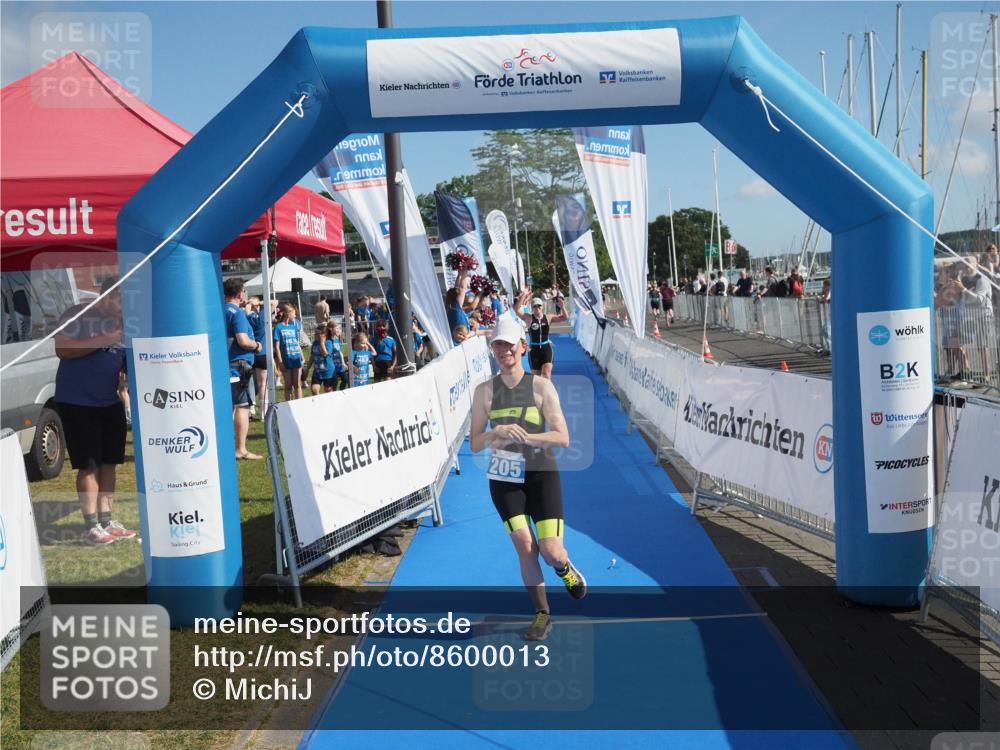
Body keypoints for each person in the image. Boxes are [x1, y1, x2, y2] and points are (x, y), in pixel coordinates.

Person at [469, 315, 586, 642]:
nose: (504, 350)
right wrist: (496, 432)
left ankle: (564, 568)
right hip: (504, 476)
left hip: (540, 474)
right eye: (498, 344)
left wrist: (527, 438)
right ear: (492, 350)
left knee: (550, 551)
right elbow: (475, 442)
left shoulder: (541, 387)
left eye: (509, 344)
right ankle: (542, 614)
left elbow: (563, 438)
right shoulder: (484, 392)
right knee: (524, 545)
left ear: (522, 347)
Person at [54, 276, 137, 545]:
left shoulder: (125, 325)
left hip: (108, 402)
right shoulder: (79, 314)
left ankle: (106, 520)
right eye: (120, 300)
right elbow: (62, 349)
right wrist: (105, 338)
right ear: (106, 295)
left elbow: (126, 364)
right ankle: (91, 527)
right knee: (89, 465)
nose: (124, 307)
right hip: (77, 403)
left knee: (110, 463)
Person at [224, 278, 264, 459]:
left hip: (226, 364)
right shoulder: (237, 313)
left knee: (229, 406)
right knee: (243, 406)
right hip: (239, 365)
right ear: (240, 293)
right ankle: (240, 449)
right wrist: (256, 345)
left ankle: (227, 446)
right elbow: (242, 340)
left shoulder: (221, 310)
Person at [514, 289, 568, 379]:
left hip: (546, 348)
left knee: (546, 374)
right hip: (534, 350)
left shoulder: (548, 317)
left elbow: (565, 317)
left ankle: (547, 392)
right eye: (535, 306)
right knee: (536, 378)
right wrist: (524, 295)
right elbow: (516, 310)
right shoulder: (528, 318)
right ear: (532, 308)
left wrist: (562, 307)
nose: (537, 308)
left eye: (539, 306)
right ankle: (538, 392)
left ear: (542, 306)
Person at [273, 302, 304, 400]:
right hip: (286, 359)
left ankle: (299, 404)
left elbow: (297, 343)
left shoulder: (293, 327)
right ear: (287, 313)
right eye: (293, 313)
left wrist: (302, 356)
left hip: (296, 357)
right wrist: (280, 362)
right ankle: (288, 405)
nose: (295, 316)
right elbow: (277, 347)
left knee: (297, 384)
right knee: (288, 385)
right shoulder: (278, 327)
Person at [246, 296, 269, 418]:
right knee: (263, 385)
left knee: (252, 383)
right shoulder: (262, 316)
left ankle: (251, 408)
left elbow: (247, 311)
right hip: (262, 353)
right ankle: (264, 412)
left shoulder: (247, 316)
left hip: (252, 353)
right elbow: (274, 303)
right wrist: (257, 302)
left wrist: (249, 304)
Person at [308, 324, 336, 395]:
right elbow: (312, 357)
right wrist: (307, 369)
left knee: (328, 391)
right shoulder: (314, 343)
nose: (315, 335)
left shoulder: (328, 342)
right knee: (314, 390)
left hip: (328, 371)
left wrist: (322, 343)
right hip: (317, 371)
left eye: (317, 334)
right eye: (315, 333)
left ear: (324, 335)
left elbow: (325, 354)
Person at [326, 321, 350, 391]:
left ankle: (341, 392)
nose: (339, 330)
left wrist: (343, 363)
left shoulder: (337, 339)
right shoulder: (327, 341)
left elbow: (340, 352)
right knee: (334, 382)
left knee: (345, 380)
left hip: (339, 365)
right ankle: (334, 394)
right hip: (332, 366)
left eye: (339, 328)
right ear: (331, 329)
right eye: (337, 328)